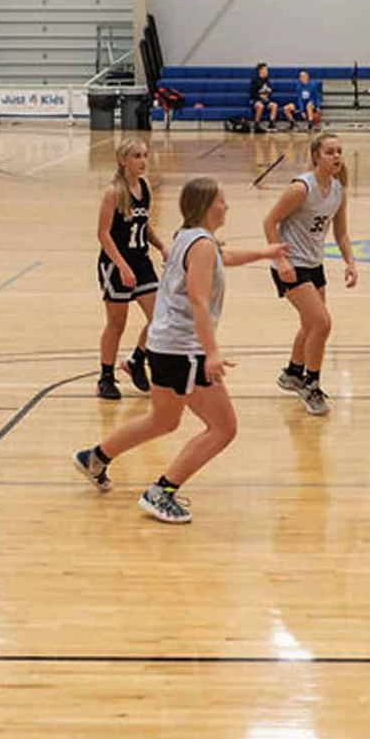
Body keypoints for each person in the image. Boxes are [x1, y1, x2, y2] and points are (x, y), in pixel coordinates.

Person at [74, 177, 287, 522]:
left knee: (163, 419)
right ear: (206, 206)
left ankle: (95, 457)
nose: (226, 206)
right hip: (183, 349)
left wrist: (266, 253)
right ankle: (161, 491)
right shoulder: (200, 244)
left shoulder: (189, 238)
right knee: (223, 429)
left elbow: (224, 257)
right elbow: (199, 300)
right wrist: (211, 352)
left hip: (163, 344)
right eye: (221, 200)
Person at [264, 132, 356, 416]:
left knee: (311, 325)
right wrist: (280, 261)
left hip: (314, 264)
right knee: (322, 323)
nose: (336, 156)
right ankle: (311, 384)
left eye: (339, 151)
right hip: (291, 265)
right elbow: (269, 222)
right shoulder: (301, 188)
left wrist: (350, 262)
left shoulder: (339, 190)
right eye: (330, 152)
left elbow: (340, 233)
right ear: (316, 156)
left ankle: (292, 372)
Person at [95, 138, 167, 400]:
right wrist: (122, 267)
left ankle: (137, 359)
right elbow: (103, 234)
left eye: (145, 155)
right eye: (136, 156)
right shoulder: (114, 192)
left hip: (141, 260)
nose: (143, 161)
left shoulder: (145, 187)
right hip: (116, 263)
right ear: (122, 160)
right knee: (117, 323)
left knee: (161, 317)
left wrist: (161, 246)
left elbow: (144, 225)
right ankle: (105, 377)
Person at [250, 62, 279, 132]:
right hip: (256, 101)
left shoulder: (267, 81)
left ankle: (271, 123)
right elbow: (252, 94)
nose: (266, 71)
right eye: (265, 69)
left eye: (267, 70)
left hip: (265, 100)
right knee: (260, 106)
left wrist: (267, 95)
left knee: (274, 105)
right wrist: (260, 96)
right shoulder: (255, 80)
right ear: (260, 70)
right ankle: (256, 124)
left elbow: (269, 91)